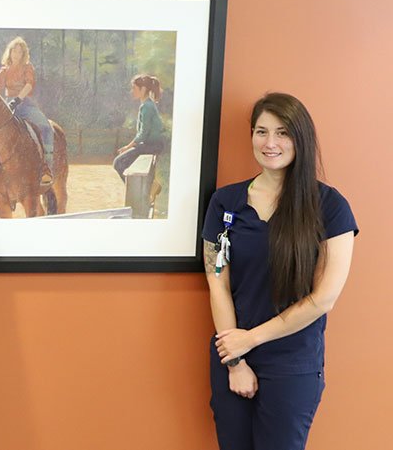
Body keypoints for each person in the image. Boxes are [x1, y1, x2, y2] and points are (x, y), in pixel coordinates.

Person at [201, 92, 358, 450]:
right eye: (261, 131)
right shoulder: (225, 202)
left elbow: (323, 298)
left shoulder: (330, 207)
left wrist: (250, 338)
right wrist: (236, 358)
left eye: (283, 132)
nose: (270, 143)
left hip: (292, 365)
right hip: (232, 357)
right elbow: (217, 285)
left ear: (301, 138)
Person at [0, 36, 54, 186]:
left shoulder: (28, 68)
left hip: (25, 103)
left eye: (20, 52)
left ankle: (46, 168)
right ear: (10, 52)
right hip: (7, 104)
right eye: (14, 51)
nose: (17, 55)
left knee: (46, 128)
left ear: (24, 54)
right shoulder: (3, 70)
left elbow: (29, 85)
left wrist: (17, 100)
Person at [113, 74, 165, 181]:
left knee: (118, 163)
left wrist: (127, 147)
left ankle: (135, 191)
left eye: (134, 88)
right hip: (151, 145)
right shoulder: (147, 104)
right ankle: (141, 187)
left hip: (152, 146)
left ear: (143, 89)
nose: (132, 91)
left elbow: (143, 133)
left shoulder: (147, 107)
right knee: (122, 162)